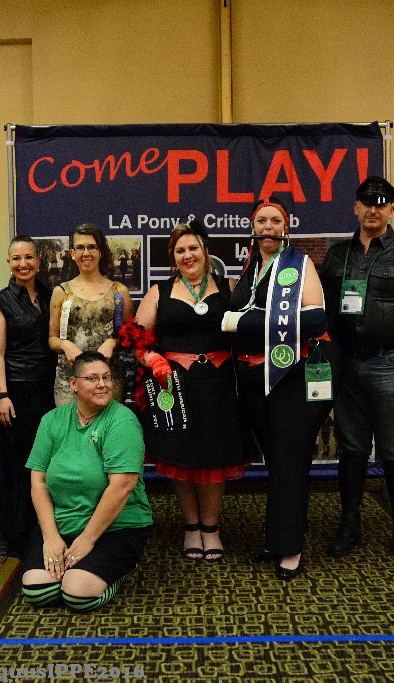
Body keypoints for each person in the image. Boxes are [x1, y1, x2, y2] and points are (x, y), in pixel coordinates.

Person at [320, 176, 394, 563]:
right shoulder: (337, 256)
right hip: (346, 363)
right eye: (367, 202)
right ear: (356, 207)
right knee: (352, 448)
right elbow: (321, 311)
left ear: (392, 210)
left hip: (391, 363)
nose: (374, 209)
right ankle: (349, 524)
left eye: (382, 203)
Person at [224, 196, 334, 580]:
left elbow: (316, 318)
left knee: (288, 460)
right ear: (252, 228)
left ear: (286, 228)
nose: (267, 227)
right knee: (276, 460)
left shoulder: (299, 264)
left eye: (274, 221)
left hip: (289, 377)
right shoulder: (250, 267)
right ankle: (279, 536)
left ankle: (290, 547)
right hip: (254, 380)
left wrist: (243, 323)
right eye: (261, 221)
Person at [126, 221, 246, 562]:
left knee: (213, 458)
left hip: (220, 388)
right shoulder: (159, 291)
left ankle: (211, 528)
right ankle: (191, 526)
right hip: (174, 388)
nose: (187, 255)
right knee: (181, 458)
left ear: (205, 251)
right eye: (180, 250)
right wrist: (152, 358)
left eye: (193, 248)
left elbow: (249, 330)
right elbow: (135, 337)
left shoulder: (230, 286)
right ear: (173, 256)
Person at [21, 352, 152, 611]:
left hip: (114, 527)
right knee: (37, 590)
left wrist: (87, 540)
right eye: (92, 378)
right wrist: (51, 537)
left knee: (77, 594)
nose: (102, 384)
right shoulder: (52, 420)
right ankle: (76, 570)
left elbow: (122, 486)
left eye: (107, 377)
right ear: (74, 384)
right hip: (64, 523)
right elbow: (38, 482)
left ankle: (119, 570)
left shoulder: (122, 421)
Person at [0, 236, 56, 558]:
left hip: (49, 389)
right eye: (16, 258)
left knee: (46, 462)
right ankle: (15, 533)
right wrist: (2, 395)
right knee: (18, 462)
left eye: (29, 257)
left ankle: (45, 528)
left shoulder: (51, 294)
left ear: (38, 261)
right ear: (8, 263)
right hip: (17, 391)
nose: (23, 264)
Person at [48, 224, 133, 407]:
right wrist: (64, 344)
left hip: (108, 383)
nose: (86, 253)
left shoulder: (119, 292)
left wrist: (114, 342)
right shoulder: (61, 292)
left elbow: (130, 337)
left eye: (92, 247)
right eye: (80, 247)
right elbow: (52, 339)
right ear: (72, 253)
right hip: (70, 384)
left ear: (100, 252)